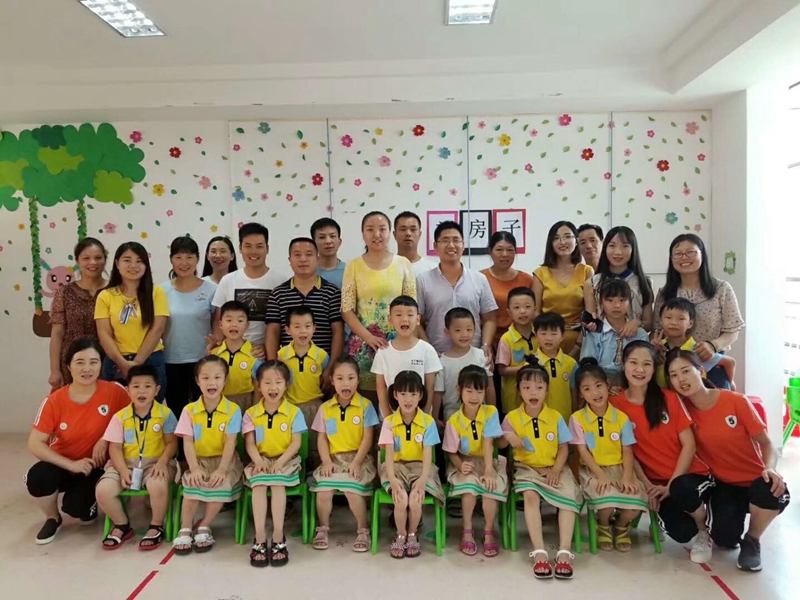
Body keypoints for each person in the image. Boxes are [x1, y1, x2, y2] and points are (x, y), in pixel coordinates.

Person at [666, 350, 790, 571]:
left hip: (756, 480)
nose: (681, 379)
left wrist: (771, 469)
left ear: (700, 371)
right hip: (725, 486)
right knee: (724, 540)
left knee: (772, 489)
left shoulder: (735, 401)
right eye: (674, 375)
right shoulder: (682, 411)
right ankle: (732, 527)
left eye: (685, 371)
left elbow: (767, 443)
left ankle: (752, 540)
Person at [610, 342, 714, 564]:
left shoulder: (670, 398)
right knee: (681, 532)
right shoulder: (615, 406)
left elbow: (689, 445)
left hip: (689, 476)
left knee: (682, 489)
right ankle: (677, 520)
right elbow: (628, 453)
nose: (640, 369)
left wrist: (672, 484)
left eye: (646, 364)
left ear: (654, 368)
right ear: (624, 365)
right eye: (633, 363)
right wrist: (647, 486)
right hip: (656, 484)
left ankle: (704, 529)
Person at [26, 339, 130, 544]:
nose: (87, 368)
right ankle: (52, 518)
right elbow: (35, 443)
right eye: (80, 362)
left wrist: (106, 438)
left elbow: (133, 421)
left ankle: (86, 504)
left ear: (101, 365)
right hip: (65, 464)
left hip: (96, 467)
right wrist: (71, 464)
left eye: (93, 362)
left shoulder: (115, 391)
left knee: (77, 509)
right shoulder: (55, 400)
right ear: (68, 366)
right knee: (37, 477)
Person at [499, 364, 581, 579]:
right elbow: (499, 445)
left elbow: (564, 448)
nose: (533, 393)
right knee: (530, 495)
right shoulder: (512, 418)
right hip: (526, 469)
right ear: (519, 391)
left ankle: (564, 552)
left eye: (539, 387)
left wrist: (556, 470)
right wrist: (507, 436)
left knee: (569, 497)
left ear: (547, 390)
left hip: (555, 468)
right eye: (526, 388)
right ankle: (539, 552)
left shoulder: (556, 417)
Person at [96, 364, 178, 551]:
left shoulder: (165, 414)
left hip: (154, 464)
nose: (142, 391)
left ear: (157, 390)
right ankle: (122, 524)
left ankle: (156, 525)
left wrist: (162, 463)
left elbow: (172, 443)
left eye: (148, 386)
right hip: (123, 464)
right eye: (136, 386)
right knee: (103, 490)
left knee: (157, 485)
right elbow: (115, 448)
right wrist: (122, 469)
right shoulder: (120, 417)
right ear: (128, 390)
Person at [569, 358, 647, 552]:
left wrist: (627, 476)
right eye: (587, 389)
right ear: (581, 394)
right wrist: (600, 474)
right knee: (606, 502)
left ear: (607, 386)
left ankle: (621, 526)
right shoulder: (577, 419)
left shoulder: (621, 418)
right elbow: (582, 451)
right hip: (593, 470)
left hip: (621, 468)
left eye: (598, 386)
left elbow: (627, 450)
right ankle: (603, 525)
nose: (595, 393)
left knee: (634, 504)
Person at [172, 356, 244, 555]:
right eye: (205, 378)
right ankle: (185, 528)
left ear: (225, 380)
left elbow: (231, 442)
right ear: (197, 381)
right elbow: (187, 442)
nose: (211, 383)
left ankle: (204, 525)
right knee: (192, 483)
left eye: (217, 377)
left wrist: (222, 469)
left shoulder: (233, 410)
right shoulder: (189, 410)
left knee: (220, 483)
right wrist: (194, 468)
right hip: (199, 461)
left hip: (225, 461)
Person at [653, 234, 744, 389]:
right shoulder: (665, 293)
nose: (684, 257)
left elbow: (733, 330)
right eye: (678, 253)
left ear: (702, 255)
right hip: (675, 367)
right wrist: (657, 348)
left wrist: (713, 345)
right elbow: (657, 330)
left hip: (710, 364)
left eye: (690, 252)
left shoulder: (721, 289)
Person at [341, 211, 416, 394]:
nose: (377, 234)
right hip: (363, 344)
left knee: (400, 392)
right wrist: (369, 338)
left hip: (397, 343)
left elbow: (412, 307)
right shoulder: (353, 266)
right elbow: (347, 309)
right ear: (363, 234)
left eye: (382, 229)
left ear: (390, 233)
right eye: (370, 230)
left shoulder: (403, 264)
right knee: (366, 397)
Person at [310, 357, 380, 552]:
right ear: (332, 381)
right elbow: (322, 438)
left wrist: (356, 462)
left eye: (351, 378)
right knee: (323, 491)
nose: (345, 383)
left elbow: (368, 438)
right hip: (333, 460)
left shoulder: (366, 406)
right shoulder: (325, 408)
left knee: (351, 490)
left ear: (358, 380)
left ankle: (363, 530)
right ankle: (323, 528)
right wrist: (326, 461)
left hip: (359, 459)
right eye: (340, 378)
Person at [243, 361, 308, 567]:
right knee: (259, 486)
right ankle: (260, 538)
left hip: (286, 460)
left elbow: (296, 443)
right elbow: (250, 443)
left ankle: (279, 536)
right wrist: (258, 461)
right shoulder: (250, 414)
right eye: (267, 382)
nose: (273, 387)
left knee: (278, 485)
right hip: (260, 459)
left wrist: (280, 462)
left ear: (286, 384)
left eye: (278, 382)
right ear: (258, 385)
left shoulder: (294, 412)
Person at [378, 371, 444, 558]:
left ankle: (413, 534)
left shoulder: (428, 422)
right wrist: (392, 479)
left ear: (421, 395)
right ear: (395, 395)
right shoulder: (389, 422)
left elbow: (428, 455)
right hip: (396, 467)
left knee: (415, 499)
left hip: (421, 468)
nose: (408, 399)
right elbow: (388, 455)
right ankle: (400, 534)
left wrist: (422, 480)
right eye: (403, 394)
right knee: (401, 499)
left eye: (413, 394)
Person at [442, 366, 506, 558]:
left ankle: (488, 531)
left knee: (489, 489)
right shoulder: (454, 420)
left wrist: (489, 470)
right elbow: (451, 452)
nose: (474, 396)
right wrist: (459, 465)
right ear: (459, 390)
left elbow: (488, 443)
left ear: (486, 391)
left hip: (487, 461)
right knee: (469, 489)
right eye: (469, 391)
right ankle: (467, 530)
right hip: (463, 462)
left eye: (479, 391)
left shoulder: (491, 412)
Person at [95, 242, 169, 400]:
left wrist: (136, 363)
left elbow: (157, 329)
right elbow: (104, 334)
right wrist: (123, 363)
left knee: (150, 410)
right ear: (117, 264)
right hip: (116, 363)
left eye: (139, 261)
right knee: (116, 409)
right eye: (127, 260)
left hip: (150, 360)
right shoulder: (105, 296)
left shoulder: (157, 292)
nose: (133, 265)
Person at [417, 220, 498, 357]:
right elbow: (417, 321)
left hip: (473, 356)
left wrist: (485, 346)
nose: (451, 245)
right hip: (437, 356)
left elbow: (490, 318)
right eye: (445, 240)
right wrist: (429, 351)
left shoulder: (479, 279)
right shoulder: (423, 280)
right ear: (435, 246)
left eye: (456, 240)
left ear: (463, 245)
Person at [265, 237, 343, 377]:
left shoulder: (332, 292)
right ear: (289, 260)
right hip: (288, 371)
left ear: (317, 259)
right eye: (297, 255)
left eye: (308, 254)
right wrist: (274, 368)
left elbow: (338, 332)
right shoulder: (278, 294)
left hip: (322, 370)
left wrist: (331, 368)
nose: (303, 259)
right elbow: (273, 332)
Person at [211, 223, 289, 360]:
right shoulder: (228, 280)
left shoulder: (281, 281)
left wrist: (268, 347)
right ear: (240, 248)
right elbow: (219, 321)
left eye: (259, 246)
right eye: (248, 246)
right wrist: (218, 346)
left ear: (267, 248)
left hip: (268, 357)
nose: (253, 252)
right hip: (233, 356)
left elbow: (286, 324)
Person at [161, 236, 217, 422]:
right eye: (178, 257)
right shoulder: (160, 291)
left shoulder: (212, 289)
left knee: (204, 413)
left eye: (189, 257)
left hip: (203, 361)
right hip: (171, 360)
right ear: (171, 259)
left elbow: (218, 324)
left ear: (198, 259)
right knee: (177, 413)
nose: (184, 263)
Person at [48, 237, 107, 389]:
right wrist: (54, 370)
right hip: (72, 363)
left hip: (107, 362)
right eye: (86, 258)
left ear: (105, 260)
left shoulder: (115, 291)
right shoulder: (65, 292)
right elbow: (57, 333)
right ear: (77, 261)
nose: (92, 262)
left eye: (98, 258)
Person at [372, 295, 442, 419]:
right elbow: (381, 387)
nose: (405, 319)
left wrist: (424, 417)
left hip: (420, 420)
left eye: (410, 315)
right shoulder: (383, 352)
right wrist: (389, 418)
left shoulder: (427, 350)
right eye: (398, 315)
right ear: (390, 319)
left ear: (418, 319)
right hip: (391, 419)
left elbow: (430, 387)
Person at [278, 306, 329, 467]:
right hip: (290, 408)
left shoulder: (321, 356)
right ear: (288, 330)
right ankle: (295, 473)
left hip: (314, 406)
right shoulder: (282, 355)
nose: (303, 331)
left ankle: (315, 474)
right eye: (297, 326)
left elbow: (326, 382)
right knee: (292, 444)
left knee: (315, 444)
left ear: (314, 328)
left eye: (307, 326)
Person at [532, 221, 593, 355]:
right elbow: (536, 312)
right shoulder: (540, 273)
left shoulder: (586, 271)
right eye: (557, 238)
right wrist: (546, 338)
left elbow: (590, 313)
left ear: (576, 241)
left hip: (579, 338)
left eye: (567, 237)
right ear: (551, 243)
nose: (562, 242)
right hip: (548, 340)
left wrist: (578, 346)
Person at [583, 226, 654, 333]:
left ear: (633, 249)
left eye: (625, 246)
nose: (618, 252)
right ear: (605, 247)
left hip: (635, 340)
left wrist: (637, 323)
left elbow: (649, 324)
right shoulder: (592, 283)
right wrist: (591, 324)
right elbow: (591, 321)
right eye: (612, 245)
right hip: (603, 341)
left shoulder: (644, 283)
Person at [580, 279, 648, 388]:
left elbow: (645, 365)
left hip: (633, 383)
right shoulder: (594, 331)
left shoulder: (640, 334)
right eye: (610, 300)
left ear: (629, 303)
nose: (617, 305)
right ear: (601, 303)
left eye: (622, 300)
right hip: (600, 383)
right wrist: (604, 385)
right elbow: (588, 366)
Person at [656, 298, 736, 389]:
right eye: (668, 318)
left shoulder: (697, 349)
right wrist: (653, 352)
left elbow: (730, 362)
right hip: (663, 396)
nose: (674, 322)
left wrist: (731, 383)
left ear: (690, 323)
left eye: (681, 318)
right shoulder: (658, 348)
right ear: (661, 321)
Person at [434, 308, 495, 424]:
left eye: (469, 330)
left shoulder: (481, 355)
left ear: (475, 330)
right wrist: (435, 418)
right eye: (458, 330)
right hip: (453, 418)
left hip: (481, 417)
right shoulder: (441, 362)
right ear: (447, 332)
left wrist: (493, 413)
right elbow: (438, 393)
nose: (464, 334)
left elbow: (490, 387)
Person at [481, 231, 534, 351]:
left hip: (520, 341)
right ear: (490, 251)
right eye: (499, 250)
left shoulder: (527, 280)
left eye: (510, 250)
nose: (505, 254)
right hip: (487, 341)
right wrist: (486, 345)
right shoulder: (480, 278)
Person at [211, 301, 260, 412]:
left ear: (247, 325)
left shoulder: (254, 355)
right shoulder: (214, 354)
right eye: (229, 320)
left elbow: (258, 387)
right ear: (220, 324)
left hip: (246, 403)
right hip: (220, 404)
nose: (234, 324)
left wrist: (255, 411)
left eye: (240, 321)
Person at [496, 287, 538, 416]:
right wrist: (525, 368)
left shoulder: (540, 335)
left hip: (537, 396)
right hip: (513, 399)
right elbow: (502, 370)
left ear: (535, 309)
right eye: (517, 307)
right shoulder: (506, 339)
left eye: (527, 306)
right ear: (509, 312)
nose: (522, 311)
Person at [533, 313, 578, 422]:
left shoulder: (571, 363)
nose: (548, 338)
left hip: (566, 421)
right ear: (536, 335)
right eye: (543, 333)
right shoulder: (531, 365)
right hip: (542, 422)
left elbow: (574, 394)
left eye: (554, 333)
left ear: (562, 336)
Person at [393, 211, 437, 277]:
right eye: (403, 229)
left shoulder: (433, 270)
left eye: (413, 229)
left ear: (419, 234)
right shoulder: (384, 267)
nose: (408, 233)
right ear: (394, 235)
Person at [311, 217, 345, 288]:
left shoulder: (350, 271)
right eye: (322, 237)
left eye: (332, 236)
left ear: (339, 242)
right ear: (313, 243)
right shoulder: (307, 271)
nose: (328, 241)